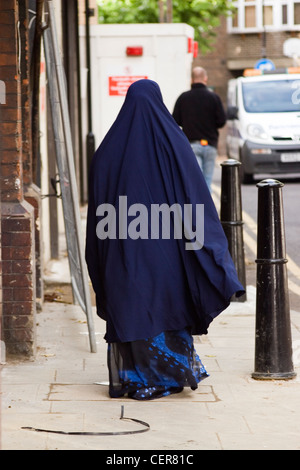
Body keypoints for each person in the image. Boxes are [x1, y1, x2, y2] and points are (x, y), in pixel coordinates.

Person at [85, 79, 244, 401]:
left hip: (122, 246)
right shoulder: (175, 143)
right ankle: (169, 375)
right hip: (167, 248)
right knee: (166, 303)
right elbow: (195, 197)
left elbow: (97, 209)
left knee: (131, 304)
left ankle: (137, 378)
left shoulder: (108, 150)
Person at [172, 67, 226, 191]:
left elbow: (175, 120)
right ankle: (207, 208)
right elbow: (221, 121)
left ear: (192, 79)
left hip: (191, 145)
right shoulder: (214, 98)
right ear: (205, 79)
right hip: (210, 144)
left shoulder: (183, 98)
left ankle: (197, 209)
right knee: (207, 180)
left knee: (196, 181)